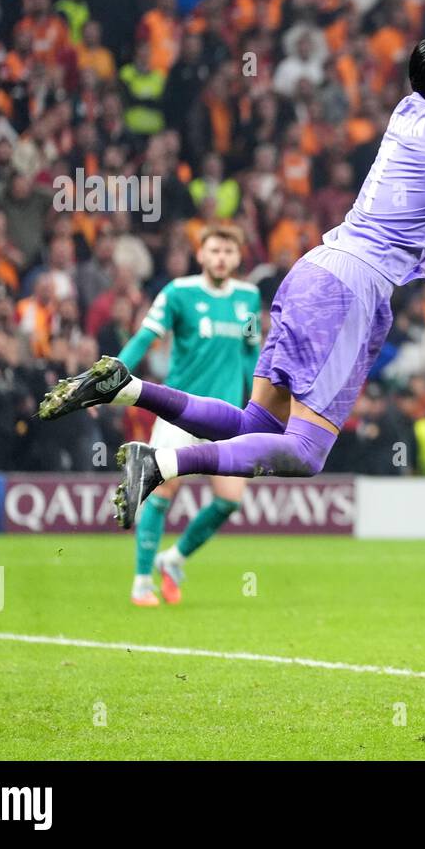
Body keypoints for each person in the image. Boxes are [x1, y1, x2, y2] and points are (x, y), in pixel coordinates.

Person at [36, 19, 425, 526]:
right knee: (306, 451)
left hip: (316, 267)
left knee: (253, 422)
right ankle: (163, 463)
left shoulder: (413, 110)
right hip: (355, 285)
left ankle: (125, 386)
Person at [115, 223, 261, 607]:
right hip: (182, 412)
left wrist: (258, 406)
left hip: (228, 418)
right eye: (214, 251)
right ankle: (142, 581)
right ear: (201, 255)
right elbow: (147, 336)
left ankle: (173, 559)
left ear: (238, 256)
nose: (220, 258)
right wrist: (115, 374)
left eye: (228, 252)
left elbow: (250, 352)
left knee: (229, 500)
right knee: (163, 492)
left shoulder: (248, 298)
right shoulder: (179, 293)